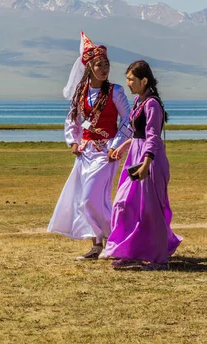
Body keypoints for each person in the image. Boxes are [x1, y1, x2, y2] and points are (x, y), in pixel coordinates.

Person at [47, 31, 131, 260]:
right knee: (87, 199)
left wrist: (117, 145)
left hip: (106, 153)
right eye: (99, 65)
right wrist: (72, 141)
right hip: (85, 153)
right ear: (89, 68)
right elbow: (71, 119)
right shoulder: (80, 93)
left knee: (91, 197)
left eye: (107, 64)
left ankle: (115, 239)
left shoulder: (116, 91)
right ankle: (98, 244)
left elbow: (128, 119)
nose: (104, 68)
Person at [104, 60, 182, 270]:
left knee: (149, 210)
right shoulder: (140, 101)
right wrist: (123, 146)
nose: (128, 83)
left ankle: (158, 259)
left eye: (131, 79)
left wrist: (146, 164)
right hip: (136, 155)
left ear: (144, 80)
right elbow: (139, 134)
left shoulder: (152, 104)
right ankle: (131, 251)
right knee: (126, 204)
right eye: (127, 79)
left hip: (149, 160)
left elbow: (152, 137)